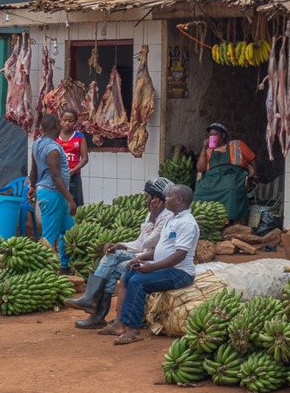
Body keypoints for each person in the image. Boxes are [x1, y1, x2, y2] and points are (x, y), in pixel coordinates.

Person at [64, 176, 174, 329]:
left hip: (154, 260)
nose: (145, 200)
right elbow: (140, 242)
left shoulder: (167, 217)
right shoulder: (152, 214)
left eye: (147, 197)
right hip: (141, 254)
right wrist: (120, 245)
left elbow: (148, 243)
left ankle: (97, 312)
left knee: (114, 268)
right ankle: (92, 304)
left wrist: (153, 218)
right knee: (111, 254)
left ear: (157, 199)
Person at [99, 184, 200, 345]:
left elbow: (180, 255)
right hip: (166, 268)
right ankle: (119, 325)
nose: (165, 199)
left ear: (179, 200)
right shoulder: (173, 219)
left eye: (170, 196)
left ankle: (133, 330)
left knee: (138, 282)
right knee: (127, 276)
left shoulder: (187, 223)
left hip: (180, 273)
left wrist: (151, 267)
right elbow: (161, 249)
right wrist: (140, 258)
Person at [28, 112, 76, 272]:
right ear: (56, 126)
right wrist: (70, 200)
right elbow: (56, 176)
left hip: (53, 194)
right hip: (53, 194)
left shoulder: (37, 144)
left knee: (68, 231)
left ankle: (64, 266)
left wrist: (32, 187)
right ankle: (41, 272)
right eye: (60, 122)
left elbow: (34, 170)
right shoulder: (53, 149)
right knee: (49, 237)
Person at [193, 122, 256, 224]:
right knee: (199, 191)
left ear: (223, 135)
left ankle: (232, 222)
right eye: (210, 135)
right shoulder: (208, 150)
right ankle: (203, 222)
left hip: (232, 175)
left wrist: (254, 174)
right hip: (211, 178)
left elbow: (252, 159)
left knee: (231, 188)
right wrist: (204, 149)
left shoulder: (237, 144)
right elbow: (200, 169)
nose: (212, 136)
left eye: (215, 134)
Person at [56, 108, 88, 206]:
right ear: (60, 120)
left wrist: (74, 170)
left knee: (76, 204)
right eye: (65, 120)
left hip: (74, 176)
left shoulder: (79, 137)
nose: (67, 123)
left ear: (75, 122)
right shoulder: (55, 136)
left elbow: (85, 158)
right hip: (57, 176)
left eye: (70, 121)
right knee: (59, 203)